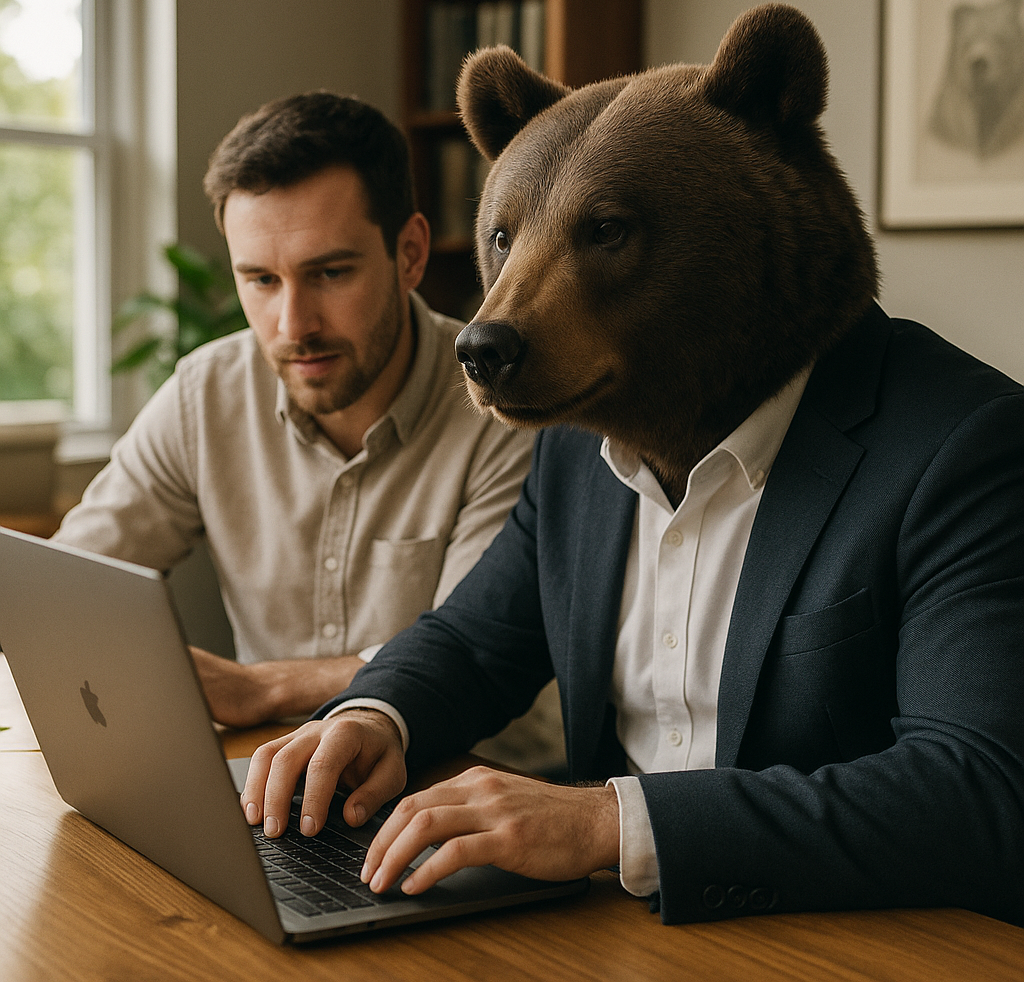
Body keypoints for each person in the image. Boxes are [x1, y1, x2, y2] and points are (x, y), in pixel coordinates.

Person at [240, 301, 1024, 926]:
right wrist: (379, 715)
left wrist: (602, 824)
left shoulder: (966, 440)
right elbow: (480, 638)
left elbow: (977, 791)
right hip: (607, 927)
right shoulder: (578, 429)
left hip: (847, 936)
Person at [54, 91, 539, 736]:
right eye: (260, 280)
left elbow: (468, 659)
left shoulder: (504, 413)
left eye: (331, 273)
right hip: (266, 775)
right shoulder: (207, 395)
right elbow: (68, 594)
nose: (293, 326)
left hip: (461, 779)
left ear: (410, 254)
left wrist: (261, 686)